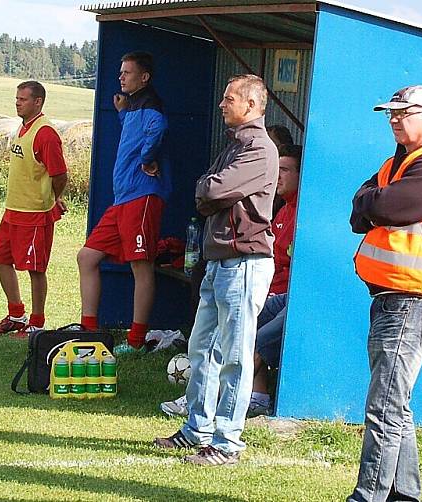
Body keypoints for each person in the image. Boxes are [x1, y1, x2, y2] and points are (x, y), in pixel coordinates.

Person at [153, 74, 278, 466]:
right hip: (218, 259)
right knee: (201, 347)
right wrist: (208, 191)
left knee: (235, 354)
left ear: (253, 107)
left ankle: (227, 443)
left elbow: (211, 192)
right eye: (223, 98)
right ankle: (197, 430)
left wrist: (208, 191)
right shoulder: (235, 145)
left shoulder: (258, 149)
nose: (222, 104)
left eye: (230, 99)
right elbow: (205, 191)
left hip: (243, 262)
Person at [348, 85, 422, 502]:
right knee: (396, 402)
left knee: (384, 405)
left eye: (404, 112)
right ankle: (403, 494)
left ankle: (369, 496)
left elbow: (383, 208)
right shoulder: (399, 161)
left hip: (412, 296)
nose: (394, 119)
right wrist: (373, 201)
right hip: (394, 295)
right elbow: (359, 209)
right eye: (390, 113)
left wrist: (373, 201)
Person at [160, 144, 301, 419]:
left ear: (300, 175)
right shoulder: (281, 210)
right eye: (278, 169)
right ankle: (239, 397)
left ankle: (220, 402)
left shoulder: (301, 213)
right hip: (272, 293)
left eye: (285, 170)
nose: (279, 176)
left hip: (285, 296)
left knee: (246, 336)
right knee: (226, 331)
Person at [77, 51, 170, 348]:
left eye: (127, 72)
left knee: (140, 267)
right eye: (120, 72)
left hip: (142, 197)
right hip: (122, 199)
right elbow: (136, 135)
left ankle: (136, 339)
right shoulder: (134, 107)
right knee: (87, 257)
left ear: (144, 77)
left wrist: (148, 158)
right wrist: (121, 113)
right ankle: (88, 330)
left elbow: (158, 129)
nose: (121, 77)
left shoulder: (152, 105)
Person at [0, 81, 68, 338]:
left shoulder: (46, 134)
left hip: (34, 214)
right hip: (13, 210)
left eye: (23, 99)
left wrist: (56, 198)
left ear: (38, 102)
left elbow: (60, 174)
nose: (17, 102)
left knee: (35, 268)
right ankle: (16, 315)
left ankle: (37, 323)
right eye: (17, 98)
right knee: (0, 259)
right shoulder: (23, 129)